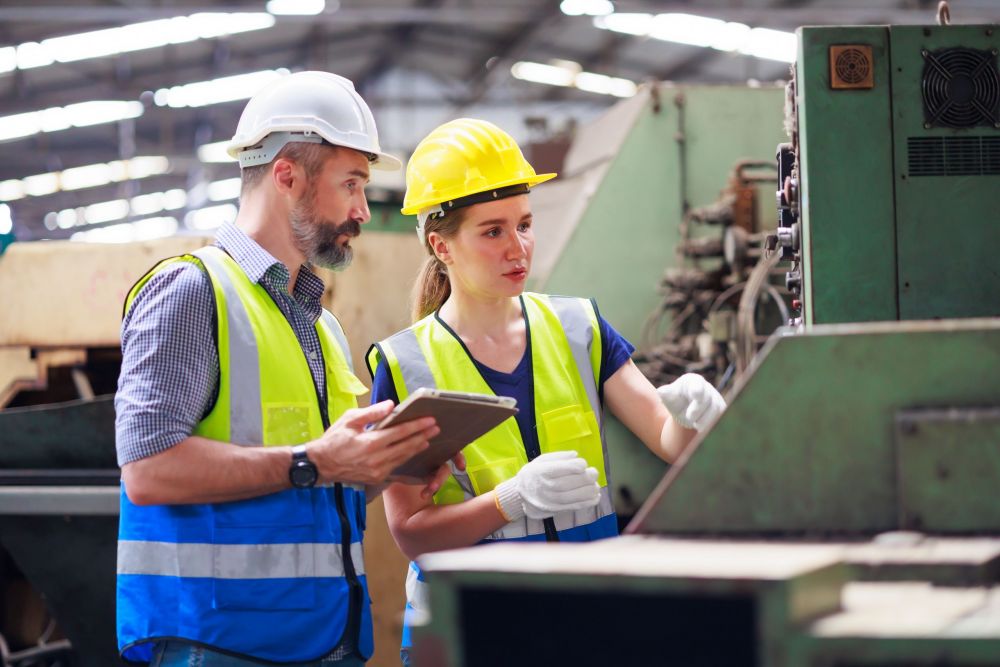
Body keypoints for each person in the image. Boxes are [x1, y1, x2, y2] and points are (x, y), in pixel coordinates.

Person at [114, 71, 455, 667]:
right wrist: (315, 461)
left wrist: (388, 465)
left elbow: (315, 479)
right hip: (217, 645)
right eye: (351, 184)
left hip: (324, 639)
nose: (362, 210)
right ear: (286, 176)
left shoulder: (320, 324)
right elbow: (147, 468)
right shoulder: (192, 291)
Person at [365, 118, 727, 665]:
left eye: (525, 224)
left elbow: (667, 439)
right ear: (442, 245)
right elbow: (411, 533)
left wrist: (693, 419)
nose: (519, 248)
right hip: (475, 635)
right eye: (493, 231)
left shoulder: (579, 327)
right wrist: (508, 501)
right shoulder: (406, 364)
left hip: (588, 625)